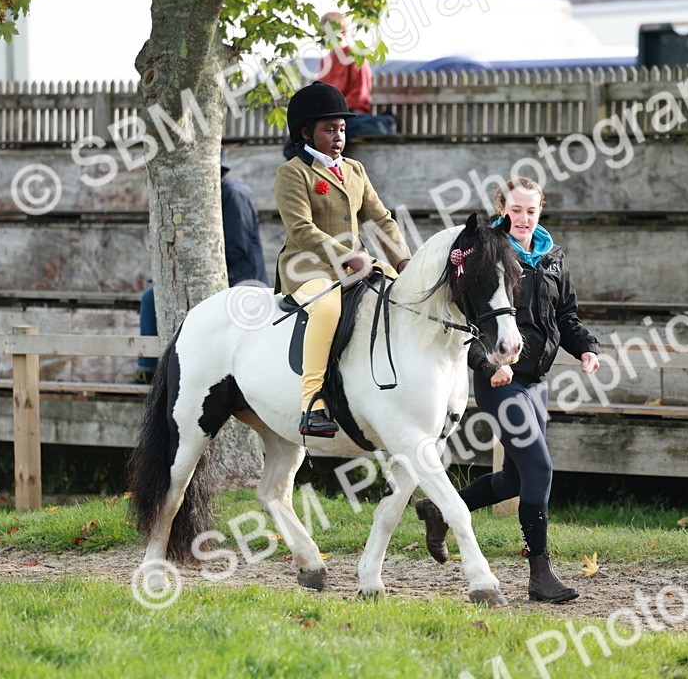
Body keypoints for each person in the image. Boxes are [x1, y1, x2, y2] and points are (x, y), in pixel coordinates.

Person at [415, 176, 601, 604]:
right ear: (502, 207)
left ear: (541, 211)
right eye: (515, 210)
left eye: (531, 210)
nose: (523, 218)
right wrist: (488, 363)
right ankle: (540, 576)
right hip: (500, 379)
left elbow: (566, 317)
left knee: (517, 476)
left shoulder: (552, 257)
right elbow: (470, 317)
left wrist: (587, 349)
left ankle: (439, 510)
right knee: (539, 470)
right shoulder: (486, 254)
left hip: (536, 382)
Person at [274, 81, 411, 437]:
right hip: (308, 267)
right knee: (327, 309)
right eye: (329, 129)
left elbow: (380, 219)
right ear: (306, 133)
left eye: (342, 129)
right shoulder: (293, 173)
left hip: (357, 263)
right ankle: (313, 401)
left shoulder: (354, 170)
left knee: (401, 296)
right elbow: (302, 229)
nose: (338, 137)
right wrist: (348, 256)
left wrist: (403, 261)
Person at [136, 156, 268, 382]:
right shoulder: (212, 195)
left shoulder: (231, 194)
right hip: (220, 274)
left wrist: (192, 272)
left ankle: (150, 371)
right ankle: (153, 371)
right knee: (152, 296)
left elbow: (238, 250)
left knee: (151, 299)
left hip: (241, 280)